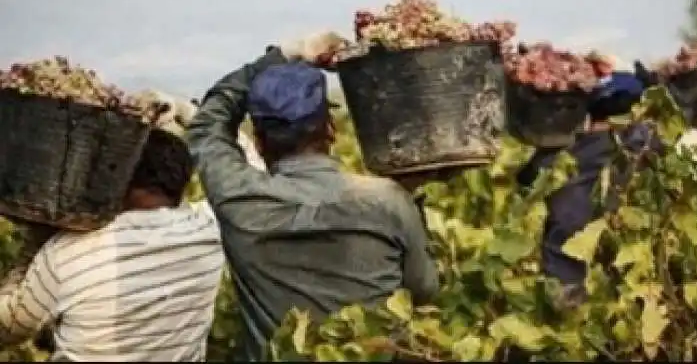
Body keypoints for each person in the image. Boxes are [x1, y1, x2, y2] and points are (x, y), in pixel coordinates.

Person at [186, 33, 439, 362]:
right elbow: (426, 291)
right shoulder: (387, 200)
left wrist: (286, 54)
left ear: (260, 143)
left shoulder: (238, 198)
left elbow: (207, 123)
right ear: (331, 130)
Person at [0, 127, 225, 361]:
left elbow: (7, 328)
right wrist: (183, 112)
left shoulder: (68, 252)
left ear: (118, 177)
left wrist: (33, 246)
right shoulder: (210, 231)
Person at [516, 71, 662, 307]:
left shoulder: (557, 157)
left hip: (567, 284)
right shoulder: (648, 149)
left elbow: (523, 180)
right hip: (635, 290)